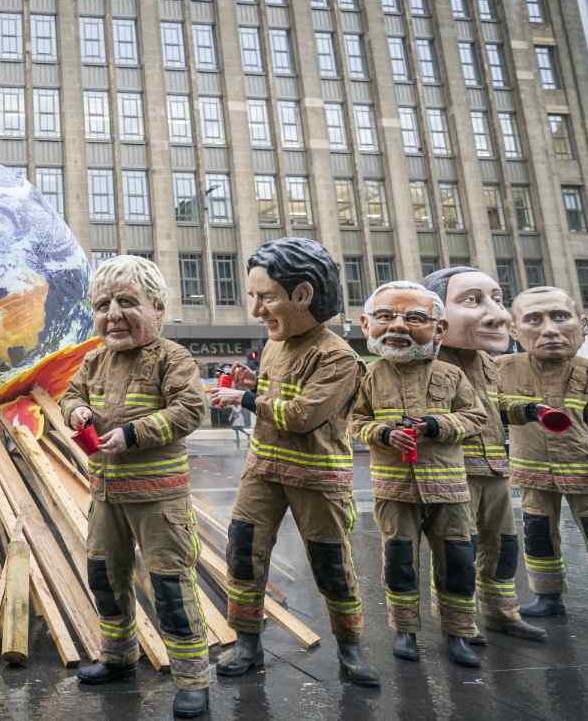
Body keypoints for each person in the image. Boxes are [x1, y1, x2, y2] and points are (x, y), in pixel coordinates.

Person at [208, 237, 378, 687]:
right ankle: (247, 642)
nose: (256, 310)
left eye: (265, 297)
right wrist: (254, 382)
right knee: (243, 555)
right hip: (263, 471)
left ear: (303, 295)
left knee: (330, 564)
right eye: (253, 297)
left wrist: (244, 396)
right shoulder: (274, 345)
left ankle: (351, 649)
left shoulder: (338, 356)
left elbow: (303, 416)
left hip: (316, 479)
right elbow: (276, 394)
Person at [59, 255, 211, 719]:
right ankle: (118, 657)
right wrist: (76, 413)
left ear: (158, 309)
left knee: (170, 586)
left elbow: (190, 410)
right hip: (106, 496)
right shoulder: (93, 361)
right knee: (105, 578)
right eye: (103, 304)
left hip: (159, 501)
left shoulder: (173, 357)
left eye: (128, 302)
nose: (114, 314)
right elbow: (70, 395)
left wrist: (133, 434)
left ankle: (192, 678)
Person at [349, 280, 485, 667]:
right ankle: (405, 631)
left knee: (458, 560)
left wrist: (436, 424)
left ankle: (458, 633)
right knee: (399, 560)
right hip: (394, 489)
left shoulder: (451, 374)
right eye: (385, 317)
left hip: (449, 490)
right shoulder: (370, 377)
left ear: (439, 329)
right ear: (367, 324)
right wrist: (384, 433)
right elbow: (354, 421)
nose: (398, 326)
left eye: (413, 318)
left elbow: (475, 416)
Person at [496, 286, 588, 637]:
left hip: (585, 471)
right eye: (533, 320)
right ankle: (547, 596)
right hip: (531, 473)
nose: (549, 330)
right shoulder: (501, 369)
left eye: (560, 317)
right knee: (539, 535)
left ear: (582, 324)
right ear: (514, 330)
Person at [422, 267, 546, 644]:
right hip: (453, 474)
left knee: (503, 545)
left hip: (494, 470)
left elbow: (490, 406)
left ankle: (501, 611)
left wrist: (524, 409)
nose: (500, 315)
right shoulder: (427, 365)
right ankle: (457, 623)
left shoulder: (487, 363)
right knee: (458, 549)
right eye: (473, 300)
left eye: (497, 298)